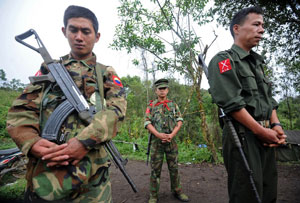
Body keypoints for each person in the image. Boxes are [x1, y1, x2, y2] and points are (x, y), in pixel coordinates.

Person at [6, 5, 126, 203]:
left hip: (92, 183)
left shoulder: (106, 73)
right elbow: (21, 111)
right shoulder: (48, 69)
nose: (79, 37)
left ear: (97, 36)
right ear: (65, 31)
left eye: (86, 31)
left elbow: (117, 110)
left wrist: (83, 142)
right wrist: (32, 142)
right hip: (45, 176)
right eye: (73, 30)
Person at [207, 6, 286, 203]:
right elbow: (231, 104)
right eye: (256, 24)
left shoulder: (257, 64)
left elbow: (269, 100)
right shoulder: (224, 60)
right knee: (247, 194)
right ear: (237, 28)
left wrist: (275, 126)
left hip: (265, 135)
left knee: (268, 192)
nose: (262, 30)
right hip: (243, 136)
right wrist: (261, 130)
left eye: (263, 26)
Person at [144, 79, 189, 203]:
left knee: (174, 168)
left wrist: (172, 135)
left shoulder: (173, 105)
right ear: (156, 91)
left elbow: (179, 120)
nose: (162, 91)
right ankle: (153, 195)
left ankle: (177, 191)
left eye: (164, 88)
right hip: (156, 143)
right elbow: (147, 123)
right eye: (160, 89)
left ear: (168, 90)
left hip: (171, 142)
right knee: (155, 170)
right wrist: (158, 135)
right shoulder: (151, 105)